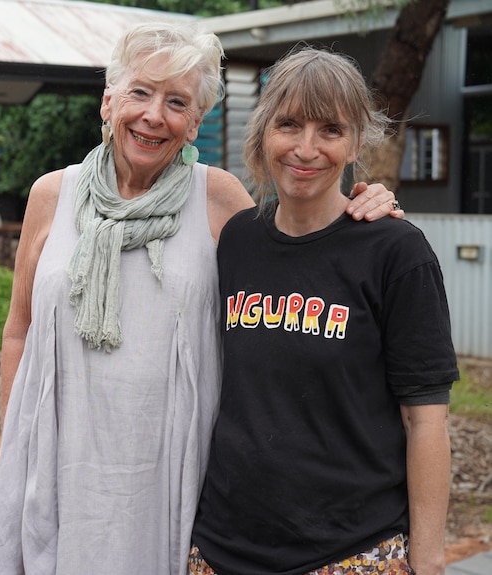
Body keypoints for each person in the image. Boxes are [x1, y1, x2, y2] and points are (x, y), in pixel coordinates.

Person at [0, 23, 399, 575]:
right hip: (62, 459)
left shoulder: (218, 198)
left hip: (171, 470)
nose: (154, 115)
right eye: (140, 92)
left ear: (196, 122)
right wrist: (17, 448)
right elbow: (20, 328)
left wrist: (363, 207)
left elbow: (299, 254)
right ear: (108, 101)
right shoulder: (51, 195)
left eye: (177, 102)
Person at [189, 47, 458, 575]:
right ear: (264, 132)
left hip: (349, 552)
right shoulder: (238, 239)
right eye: (289, 124)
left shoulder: (395, 252)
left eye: (330, 130)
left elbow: (426, 420)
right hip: (222, 549)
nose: (306, 148)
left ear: (356, 142)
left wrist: (428, 559)